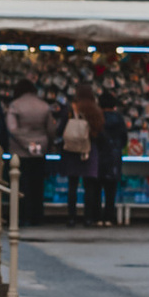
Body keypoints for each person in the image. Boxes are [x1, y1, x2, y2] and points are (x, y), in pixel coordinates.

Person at [7, 70, 55, 226]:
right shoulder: (44, 106)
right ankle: (37, 216)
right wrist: (46, 144)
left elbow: (12, 128)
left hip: (19, 152)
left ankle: (22, 216)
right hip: (40, 150)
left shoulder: (15, 105)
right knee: (37, 185)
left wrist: (26, 144)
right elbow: (51, 129)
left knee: (20, 185)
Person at [58, 84, 96, 221]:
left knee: (72, 185)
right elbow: (99, 130)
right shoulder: (93, 110)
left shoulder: (68, 110)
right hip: (87, 150)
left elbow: (60, 129)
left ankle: (71, 217)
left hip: (70, 150)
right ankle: (88, 217)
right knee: (89, 186)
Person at [97, 86, 130, 226]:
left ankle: (97, 217)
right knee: (111, 190)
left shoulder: (98, 118)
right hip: (114, 155)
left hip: (99, 155)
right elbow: (124, 138)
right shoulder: (119, 119)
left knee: (97, 188)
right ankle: (109, 217)